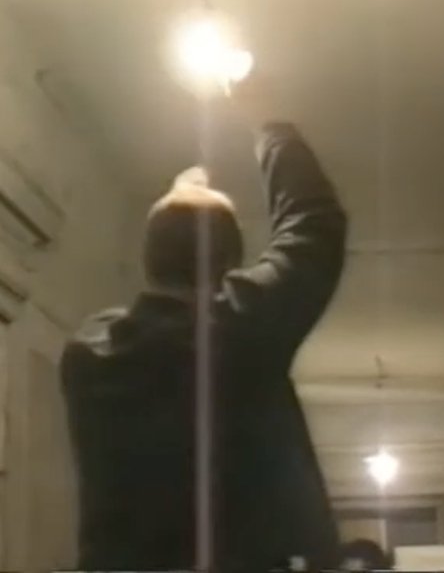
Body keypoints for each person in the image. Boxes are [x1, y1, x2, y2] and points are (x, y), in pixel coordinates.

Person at [60, 72, 347, 572]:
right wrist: (269, 122)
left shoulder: (90, 352)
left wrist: (177, 211)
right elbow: (313, 225)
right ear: (228, 269)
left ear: (149, 260)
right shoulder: (239, 330)